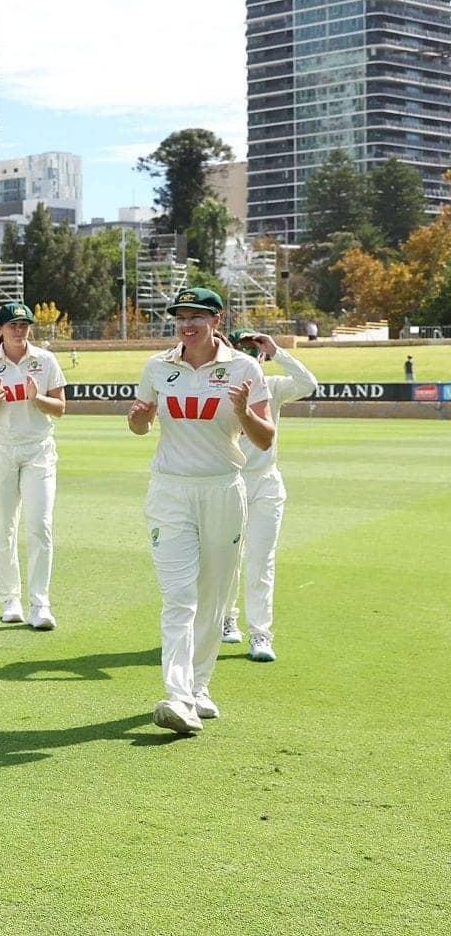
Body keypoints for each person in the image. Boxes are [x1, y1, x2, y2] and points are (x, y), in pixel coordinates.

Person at [128, 287, 273, 734]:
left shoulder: (243, 368)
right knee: (179, 597)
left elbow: (265, 438)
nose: (187, 324)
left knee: (212, 597)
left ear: (216, 319)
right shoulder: (158, 367)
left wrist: (244, 412)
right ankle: (177, 695)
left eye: (196, 316)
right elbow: (139, 425)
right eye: (180, 317)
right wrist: (138, 417)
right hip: (170, 492)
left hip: (222, 490)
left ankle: (199, 686)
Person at [0, 301, 66, 629]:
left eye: (23, 324)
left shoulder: (45, 360)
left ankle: (41, 604)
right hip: (0, 450)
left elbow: (60, 407)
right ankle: (10, 598)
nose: (18, 330)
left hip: (38, 450)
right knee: (3, 527)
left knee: (40, 525)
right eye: (12, 325)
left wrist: (37, 398)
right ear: (0, 329)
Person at [221, 329, 317, 661]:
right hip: (229, 482)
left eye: (255, 353)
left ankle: (261, 634)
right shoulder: (220, 386)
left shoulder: (273, 387)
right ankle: (226, 617)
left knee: (262, 559)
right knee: (227, 559)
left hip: (266, 483)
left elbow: (308, 384)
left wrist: (277, 351)